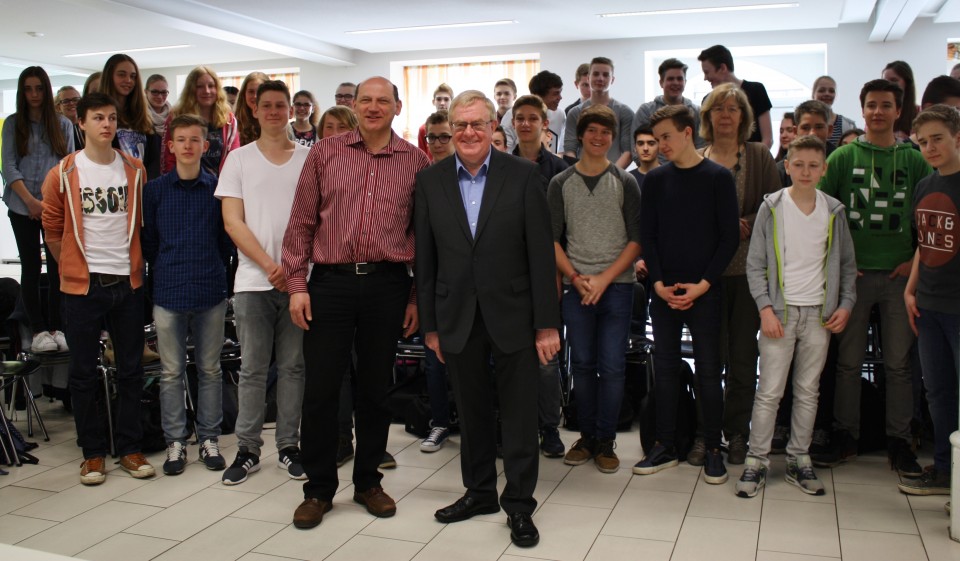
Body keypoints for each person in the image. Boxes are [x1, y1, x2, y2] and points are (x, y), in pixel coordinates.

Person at [415, 89, 561, 548]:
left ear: (493, 127)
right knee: (472, 412)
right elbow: (426, 257)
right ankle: (478, 493)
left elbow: (541, 254)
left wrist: (547, 324)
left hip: (514, 313)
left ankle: (518, 505)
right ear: (450, 128)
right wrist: (432, 326)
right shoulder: (430, 180)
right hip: (457, 313)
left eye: (478, 124)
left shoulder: (523, 175)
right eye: (460, 125)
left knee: (518, 415)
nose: (469, 133)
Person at [282, 76, 427, 529]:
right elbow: (301, 222)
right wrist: (296, 285)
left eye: (383, 100)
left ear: (397, 107)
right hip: (331, 283)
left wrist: (416, 296)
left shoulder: (416, 162)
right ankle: (319, 489)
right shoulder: (324, 154)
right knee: (322, 388)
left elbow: (423, 237)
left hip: (387, 284)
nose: (374, 107)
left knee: (375, 389)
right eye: (366, 99)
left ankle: (368, 482)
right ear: (355, 105)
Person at [815, 79, 932, 474]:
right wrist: (843, 263)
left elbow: (927, 219)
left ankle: (899, 441)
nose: (878, 111)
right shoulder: (844, 157)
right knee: (848, 362)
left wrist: (912, 261)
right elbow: (822, 213)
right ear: (862, 110)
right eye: (871, 105)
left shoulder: (914, 160)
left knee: (899, 364)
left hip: (900, 276)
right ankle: (846, 435)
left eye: (886, 105)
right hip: (856, 277)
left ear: (899, 111)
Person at [41, 92, 155, 485]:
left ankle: (129, 447)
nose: (106, 124)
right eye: (98, 118)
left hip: (127, 282)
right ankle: (91, 453)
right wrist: (71, 268)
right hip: (82, 287)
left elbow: (142, 223)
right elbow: (53, 230)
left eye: (111, 118)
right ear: (82, 123)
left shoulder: (135, 170)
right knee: (84, 373)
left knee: (130, 370)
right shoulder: (64, 173)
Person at [736, 135, 857, 499]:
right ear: (786, 166)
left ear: (824, 169)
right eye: (798, 164)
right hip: (780, 314)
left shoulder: (833, 210)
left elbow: (848, 267)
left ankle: (799, 458)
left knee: (808, 391)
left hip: (819, 316)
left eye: (813, 165)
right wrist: (765, 308)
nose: (805, 171)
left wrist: (846, 304)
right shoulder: (771, 207)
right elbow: (755, 265)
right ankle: (756, 460)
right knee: (770, 391)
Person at [633, 104, 739, 484]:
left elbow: (728, 238)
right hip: (663, 291)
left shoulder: (718, 178)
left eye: (666, 137)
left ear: (688, 132)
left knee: (710, 372)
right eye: (656, 138)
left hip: (705, 290)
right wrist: (658, 283)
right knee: (665, 370)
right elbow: (650, 236)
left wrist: (704, 284)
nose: (660, 145)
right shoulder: (658, 180)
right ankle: (664, 445)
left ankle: (712, 447)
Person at [217, 80, 310, 486]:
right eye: (266, 105)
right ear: (253, 111)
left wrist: (291, 271)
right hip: (253, 281)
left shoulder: (310, 158)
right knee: (253, 370)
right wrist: (271, 265)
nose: (273, 112)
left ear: (292, 110)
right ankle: (248, 449)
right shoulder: (238, 160)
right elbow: (232, 222)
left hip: (300, 284)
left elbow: (318, 221)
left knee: (293, 367)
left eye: (280, 105)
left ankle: (289, 446)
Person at [550, 105, 641, 473]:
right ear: (581, 135)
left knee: (613, 366)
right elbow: (552, 240)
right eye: (593, 131)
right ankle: (586, 435)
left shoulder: (626, 181)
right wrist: (575, 277)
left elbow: (637, 241)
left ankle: (606, 439)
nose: (599, 138)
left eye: (607, 132)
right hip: (577, 288)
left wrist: (604, 279)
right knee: (583, 365)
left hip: (617, 288)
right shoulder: (561, 183)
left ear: (613, 137)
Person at [142, 114, 233, 475]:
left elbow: (226, 242)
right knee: (170, 372)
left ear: (204, 146)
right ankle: (175, 443)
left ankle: (209, 439)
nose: (188, 146)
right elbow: (149, 244)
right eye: (181, 140)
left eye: (195, 140)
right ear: (171, 145)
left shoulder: (218, 190)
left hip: (210, 289)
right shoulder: (155, 191)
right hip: (168, 290)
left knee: (210, 370)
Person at [699, 83, 780, 467]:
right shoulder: (696, 158)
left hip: (749, 273)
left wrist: (742, 221)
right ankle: (707, 433)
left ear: (744, 117)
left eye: (733, 109)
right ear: (708, 117)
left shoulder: (760, 156)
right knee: (709, 358)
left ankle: (737, 434)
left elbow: (772, 207)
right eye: (719, 109)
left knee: (744, 358)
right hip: (708, 275)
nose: (726, 115)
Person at [898, 105, 960, 496]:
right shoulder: (926, 185)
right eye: (923, 142)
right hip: (929, 304)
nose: (930, 148)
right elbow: (925, 242)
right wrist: (910, 288)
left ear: (957, 136)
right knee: (937, 392)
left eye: (937, 138)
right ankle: (943, 469)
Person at [511, 94, 570, 458]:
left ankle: (549, 427)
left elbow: (561, 232)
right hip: (507, 276)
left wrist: (558, 275)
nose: (527, 124)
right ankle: (517, 427)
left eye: (534, 118)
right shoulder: (498, 165)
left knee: (546, 361)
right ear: (513, 123)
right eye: (520, 118)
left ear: (544, 124)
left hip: (548, 274)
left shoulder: (561, 171)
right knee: (509, 359)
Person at [2, 66, 73, 353]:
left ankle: (58, 327)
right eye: (28, 89)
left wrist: (45, 204)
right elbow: (8, 166)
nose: (33, 94)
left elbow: (66, 166)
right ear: (22, 92)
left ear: (46, 90)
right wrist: (30, 202)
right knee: (30, 268)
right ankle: (38, 330)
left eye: (39, 88)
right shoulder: (12, 123)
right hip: (21, 207)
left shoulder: (62, 125)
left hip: (53, 207)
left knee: (58, 269)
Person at [160, 66, 240, 177]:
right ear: (191, 90)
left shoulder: (229, 120)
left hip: (220, 186)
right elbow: (168, 158)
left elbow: (234, 157)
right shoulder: (175, 117)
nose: (206, 91)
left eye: (211, 86)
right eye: (199, 86)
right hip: (183, 186)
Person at [564, 57, 634, 168]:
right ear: (588, 78)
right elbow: (569, 149)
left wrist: (611, 175)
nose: (600, 78)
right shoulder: (574, 113)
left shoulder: (625, 112)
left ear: (612, 79)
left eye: (606, 75)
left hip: (614, 177)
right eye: (596, 74)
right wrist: (581, 174)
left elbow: (628, 151)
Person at [699, 45, 773, 149]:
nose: (705, 78)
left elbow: (767, 138)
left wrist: (756, 160)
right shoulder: (707, 100)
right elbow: (708, 140)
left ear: (722, 68)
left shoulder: (756, 90)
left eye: (707, 72)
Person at [101, 54, 161, 180]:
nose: (128, 80)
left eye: (132, 76)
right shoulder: (99, 116)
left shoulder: (143, 117)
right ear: (110, 76)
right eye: (121, 74)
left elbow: (154, 159)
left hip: (143, 187)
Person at [633, 58, 704, 160]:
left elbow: (701, 147)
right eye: (670, 79)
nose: (675, 82)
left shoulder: (696, 112)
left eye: (680, 79)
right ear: (661, 82)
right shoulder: (646, 111)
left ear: (685, 82)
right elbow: (638, 148)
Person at [777, 100, 837, 187]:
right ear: (795, 131)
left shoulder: (840, 163)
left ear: (830, 130)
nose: (812, 133)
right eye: (805, 127)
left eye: (819, 127)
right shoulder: (781, 170)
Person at [501, 71, 565, 153]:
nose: (560, 97)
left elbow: (562, 148)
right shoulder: (513, 114)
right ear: (539, 95)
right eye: (555, 93)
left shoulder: (560, 115)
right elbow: (505, 149)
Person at [812, 76, 857, 146]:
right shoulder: (803, 122)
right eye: (821, 90)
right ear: (813, 94)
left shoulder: (849, 125)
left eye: (831, 91)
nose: (827, 94)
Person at [882, 61, 919, 143]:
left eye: (894, 80)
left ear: (907, 83)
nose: (888, 85)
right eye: (885, 81)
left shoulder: (920, 113)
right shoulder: (877, 113)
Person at [417, 84, 454, 158]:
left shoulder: (458, 127)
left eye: (446, 99)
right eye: (439, 99)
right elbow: (422, 157)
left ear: (452, 102)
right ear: (433, 101)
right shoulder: (423, 129)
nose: (442, 103)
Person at [237, 72, 270, 146]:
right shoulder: (234, 123)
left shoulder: (278, 121)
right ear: (244, 94)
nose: (255, 96)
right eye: (251, 91)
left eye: (260, 91)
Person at [55, 85, 84, 150]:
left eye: (76, 100)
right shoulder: (55, 131)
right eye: (66, 101)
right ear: (58, 107)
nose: (71, 103)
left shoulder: (89, 126)